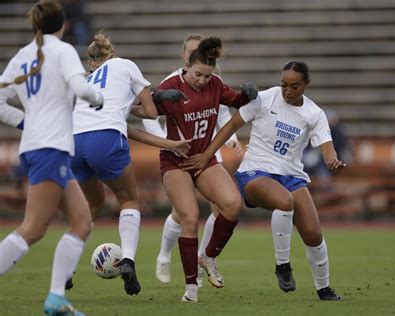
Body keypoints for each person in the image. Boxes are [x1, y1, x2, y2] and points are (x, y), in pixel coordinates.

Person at [181, 61, 345, 301]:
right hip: (254, 173)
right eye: (284, 85)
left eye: (295, 86)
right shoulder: (265, 99)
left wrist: (333, 162)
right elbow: (231, 126)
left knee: (313, 234)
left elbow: (328, 150)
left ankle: (324, 289)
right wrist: (207, 155)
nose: (288, 91)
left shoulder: (314, 114)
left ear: (307, 85)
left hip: (291, 176)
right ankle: (283, 265)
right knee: (284, 201)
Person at [0, 1, 103, 315]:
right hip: (50, 148)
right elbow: (80, 88)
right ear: (64, 25)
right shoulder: (63, 51)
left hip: (38, 147)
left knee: (82, 222)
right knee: (33, 228)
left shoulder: (22, 55)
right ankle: (55, 299)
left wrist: (26, 121)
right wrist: (97, 97)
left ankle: (56, 299)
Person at [70, 32, 191, 295]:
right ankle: (128, 261)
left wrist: (169, 145)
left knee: (91, 205)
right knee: (128, 201)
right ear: (111, 53)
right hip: (105, 139)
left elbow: (121, 125)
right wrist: (147, 100)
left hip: (74, 141)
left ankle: (67, 267)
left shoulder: (88, 80)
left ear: (91, 63)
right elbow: (149, 112)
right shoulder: (125, 65)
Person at [153, 36, 257, 302]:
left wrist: (247, 93)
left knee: (233, 204)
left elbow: (235, 100)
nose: (202, 80)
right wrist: (156, 98)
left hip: (204, 159)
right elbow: (142, 109)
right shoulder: (171, 85)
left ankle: (208, 257)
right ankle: (190, 288)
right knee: (189, 217)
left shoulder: (215, 84)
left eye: (207, 76)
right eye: (198, 74)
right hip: (176, 162)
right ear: (187, 66)